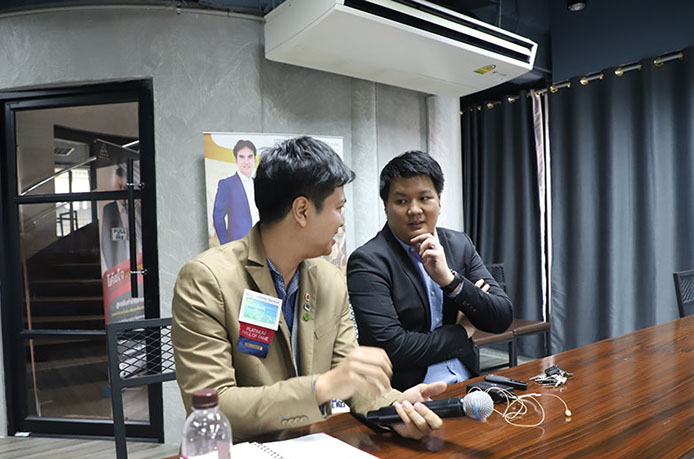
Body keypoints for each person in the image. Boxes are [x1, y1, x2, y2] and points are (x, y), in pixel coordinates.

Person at [172, 137, 446, 442]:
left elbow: (349, 374)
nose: (341, 223)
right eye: (338, 208)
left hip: (312, 449)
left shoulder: (328, 279)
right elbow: (213, 404)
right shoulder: (207, 280)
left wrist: (395, 409)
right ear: (302, 211)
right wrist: (321, 388)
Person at [346, 150, 513, 391]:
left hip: (468, 383)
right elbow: (393, 348)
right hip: (406, 395)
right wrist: (463, 331)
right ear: (385, 206)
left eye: (424, 198)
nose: (414, 210)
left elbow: (501, 317)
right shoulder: (368, 261)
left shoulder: (459, 245)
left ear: (439, 200)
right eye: (402, 201)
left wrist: (451, 282)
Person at [212, 139, 258, 244]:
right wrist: (226, 245)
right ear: (236, 160)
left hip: (261, 242)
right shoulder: (227, 184)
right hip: (239, 244)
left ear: (254, 160)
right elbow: (218, 217)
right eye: (242, 157)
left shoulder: (259, 183)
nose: (246, 161)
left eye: (250, 157)